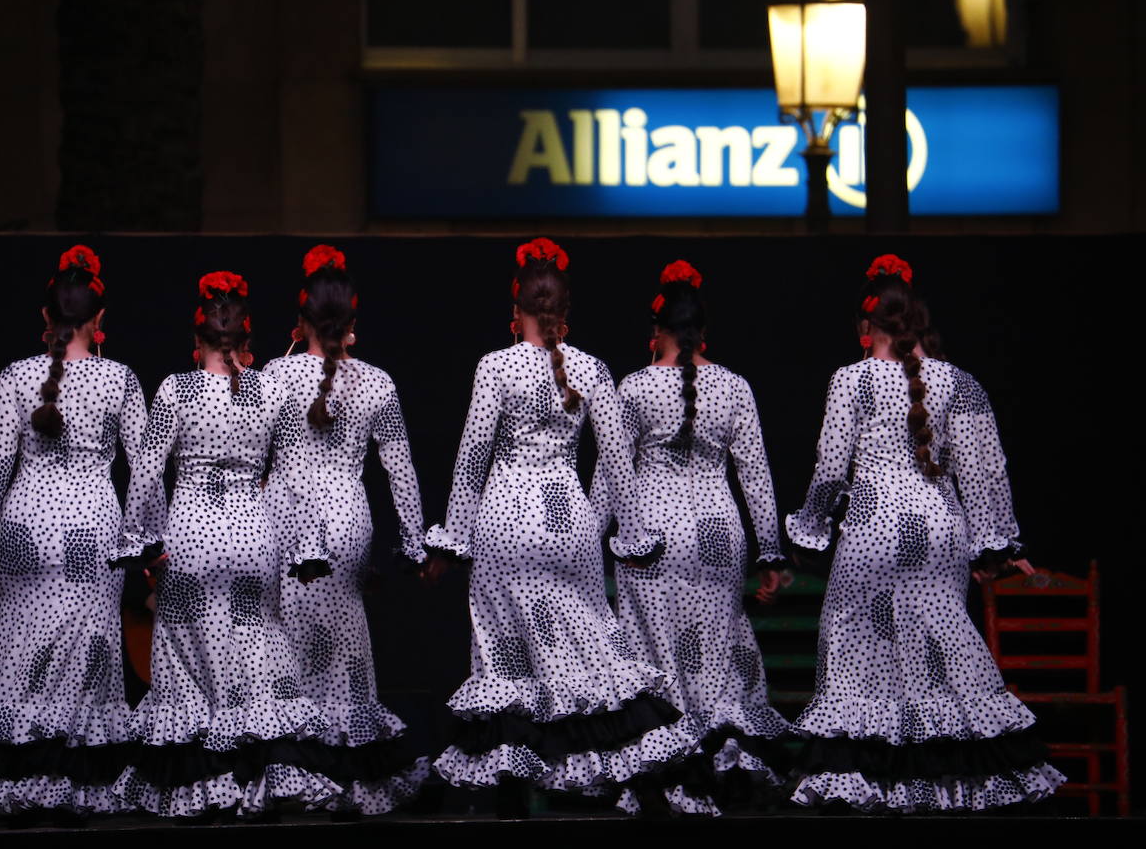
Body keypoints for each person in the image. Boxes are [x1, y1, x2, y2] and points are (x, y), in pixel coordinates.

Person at [785, 253, 1065, 811]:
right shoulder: (960, 382)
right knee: (939, 649)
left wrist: (808, 529)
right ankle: (942, 790)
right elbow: (986, 471)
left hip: (871, 525)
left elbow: (830, 467)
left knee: (859, 652)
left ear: (866, 328)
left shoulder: (851, 379)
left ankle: (875, 789)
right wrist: (999, 545)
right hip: (938, 527)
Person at [426, 238, 690, 816]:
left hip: (507, 516)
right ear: (564, 313)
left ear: (515, 308)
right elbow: (618, 467)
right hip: (567, 517)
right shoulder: (592, 368)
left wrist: (450, 538)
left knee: (504, 652)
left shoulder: (495, 366)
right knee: (592, 640)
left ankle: (509, 794)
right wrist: (635, 537)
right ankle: (628, 772)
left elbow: (472, 458)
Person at [0, 244, 148, 816]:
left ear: (45, 319)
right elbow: (145, 473)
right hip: (91, 531)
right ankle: (72, 782)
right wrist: (150, 541)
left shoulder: (14, 376)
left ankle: (4, 778)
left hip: (25, 527)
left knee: (14, 648)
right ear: (99, 323)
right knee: (86, 652)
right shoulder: (119, 378)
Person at [114, 270, 344, 818]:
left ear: (197, 343)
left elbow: (146, 475)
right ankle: (257, 777)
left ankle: (203, 787)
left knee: (186, 651)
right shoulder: (272, 389)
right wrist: (306, 546)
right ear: (247, 339)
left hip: (191, 532)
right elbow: (292, 476)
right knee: (254, 642)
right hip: (252, 533)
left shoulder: (176, 388)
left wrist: (141, 541)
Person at [597, 261, 792, 816]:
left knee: (656, 650)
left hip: (653, 532)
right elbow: (755, 473)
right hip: (716, 532)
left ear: (656, 332)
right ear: (703, 332)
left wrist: (587, 546)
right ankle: (717, 763)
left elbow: (609, 480)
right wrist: (771, 552)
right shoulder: (734, 387)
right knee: (712, 648)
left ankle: (667, 767)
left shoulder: (632, 388)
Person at [261, 245, 431, 817]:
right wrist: (414, 546)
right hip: (346, 519)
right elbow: (400, 469)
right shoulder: (376, 383)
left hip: (284, 513)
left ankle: (296, 771)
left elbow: (246, 455)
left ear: (302, 319)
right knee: (344, 642)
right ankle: (347, 772)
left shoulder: (275, 376)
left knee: (284, 638)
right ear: (351, 325)